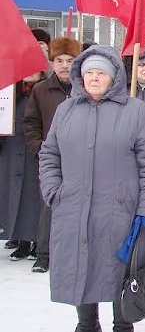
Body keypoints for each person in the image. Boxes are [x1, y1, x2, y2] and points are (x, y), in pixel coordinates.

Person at [38, 45, 145, 332]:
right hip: (72, 208)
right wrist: (52, 190)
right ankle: (86, 325)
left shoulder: (136, 111)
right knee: (81, 267)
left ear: (114, 77)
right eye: (89, 72)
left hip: (119, 212)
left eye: (101, 73)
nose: (94, 78)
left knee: (121, 273)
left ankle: (122, 326)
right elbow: (49, 154)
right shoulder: (66, 110)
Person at [23, 36, 82, 273]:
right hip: (52, 159)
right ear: (52, 62)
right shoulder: (41, 90)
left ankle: (74, 254)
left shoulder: (85, 89)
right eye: (59, 60)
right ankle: (44, 254)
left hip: (81, 158)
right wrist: (39, 148)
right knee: (49, 206)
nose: (65, 65)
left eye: (70, 60)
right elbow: (30, 123)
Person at [0, 67, 45, 261]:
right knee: (13, 195)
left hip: (34, 149)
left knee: (33, 197)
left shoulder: (43, 91)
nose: (30, 72)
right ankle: (20, 240)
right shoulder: (11, 92)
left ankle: (36, 240)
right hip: (12, 147)